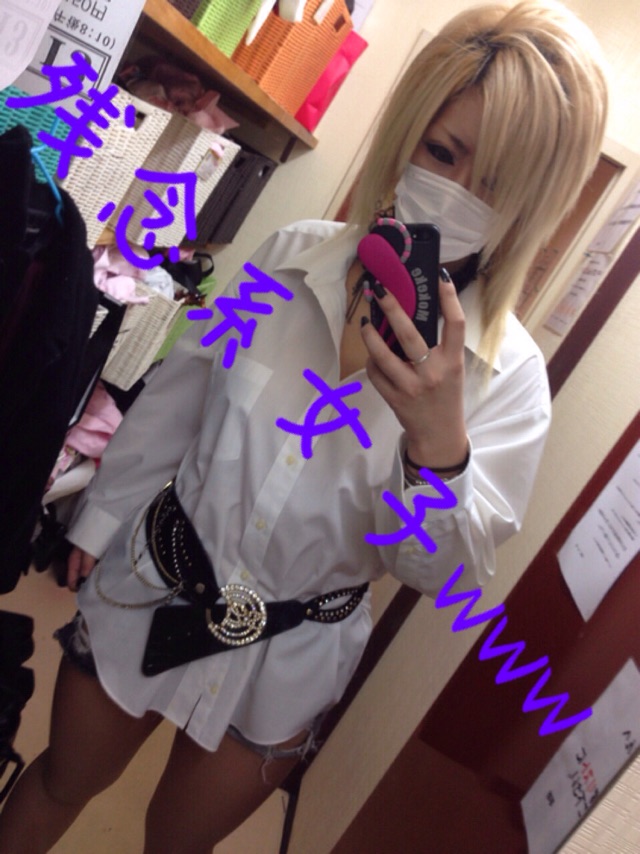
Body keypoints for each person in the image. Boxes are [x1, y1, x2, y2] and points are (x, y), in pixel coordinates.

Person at [0, 2, 607, 851]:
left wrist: (438, 446)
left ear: (533, 201)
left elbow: (439, 573)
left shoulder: (509, 383)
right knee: (62, 780)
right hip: (157, 575)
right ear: (410, 132)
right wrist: (100, 520)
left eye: (499, 184)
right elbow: (179, 397)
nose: (459, 194)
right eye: (444, 152)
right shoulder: (290, 255)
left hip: (289, 655)